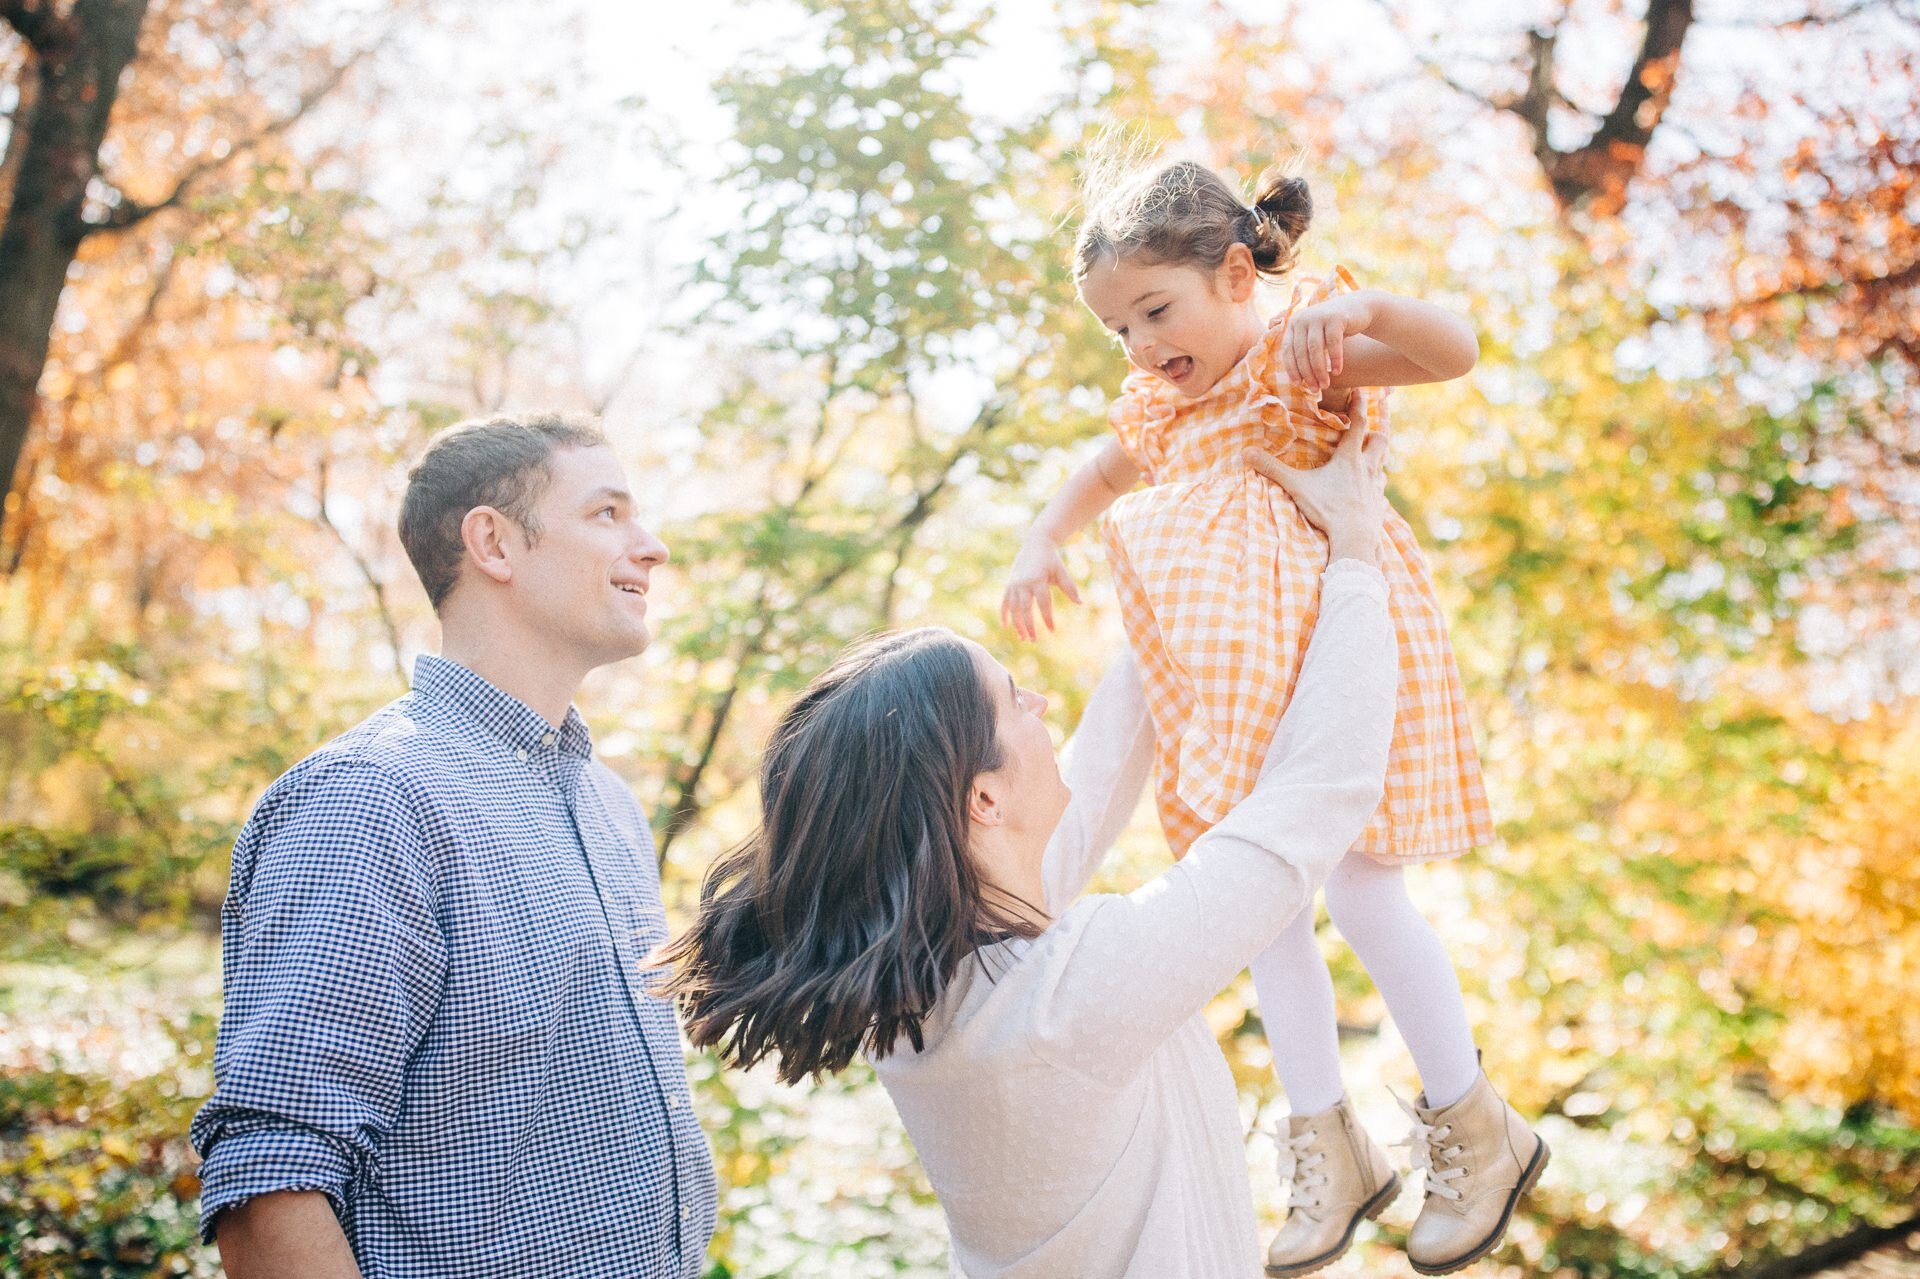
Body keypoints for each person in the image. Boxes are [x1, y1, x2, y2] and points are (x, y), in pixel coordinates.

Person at [667, 413, 1438, 1277]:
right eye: (1012, 699)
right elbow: (1319, 789)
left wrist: (1199, 552)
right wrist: (1357, 554)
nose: (1038, 704)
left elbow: (1102, 766)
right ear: (984, 799)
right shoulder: (1071, 992)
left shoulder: (941, 991)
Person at [997, 155, 1545, 1275]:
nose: (1144, 346)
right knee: (1260, 900)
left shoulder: (1305, 357)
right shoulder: (1164, 405)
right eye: (1121, 330)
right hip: (1236, 680)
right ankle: (1326, 1138)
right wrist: (1038, 540)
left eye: (1157, 309)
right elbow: (1097, 474)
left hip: (1337, 655)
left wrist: (1362, 309)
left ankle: (1475, 1120)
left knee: (1362, 883)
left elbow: (1457, 353)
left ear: (1239, 274)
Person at [189, 412, 718, 1278]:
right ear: (495, 544)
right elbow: (272, 1171)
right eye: (606, 513)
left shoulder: (612, 808)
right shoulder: (370, 799)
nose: (651, 545)